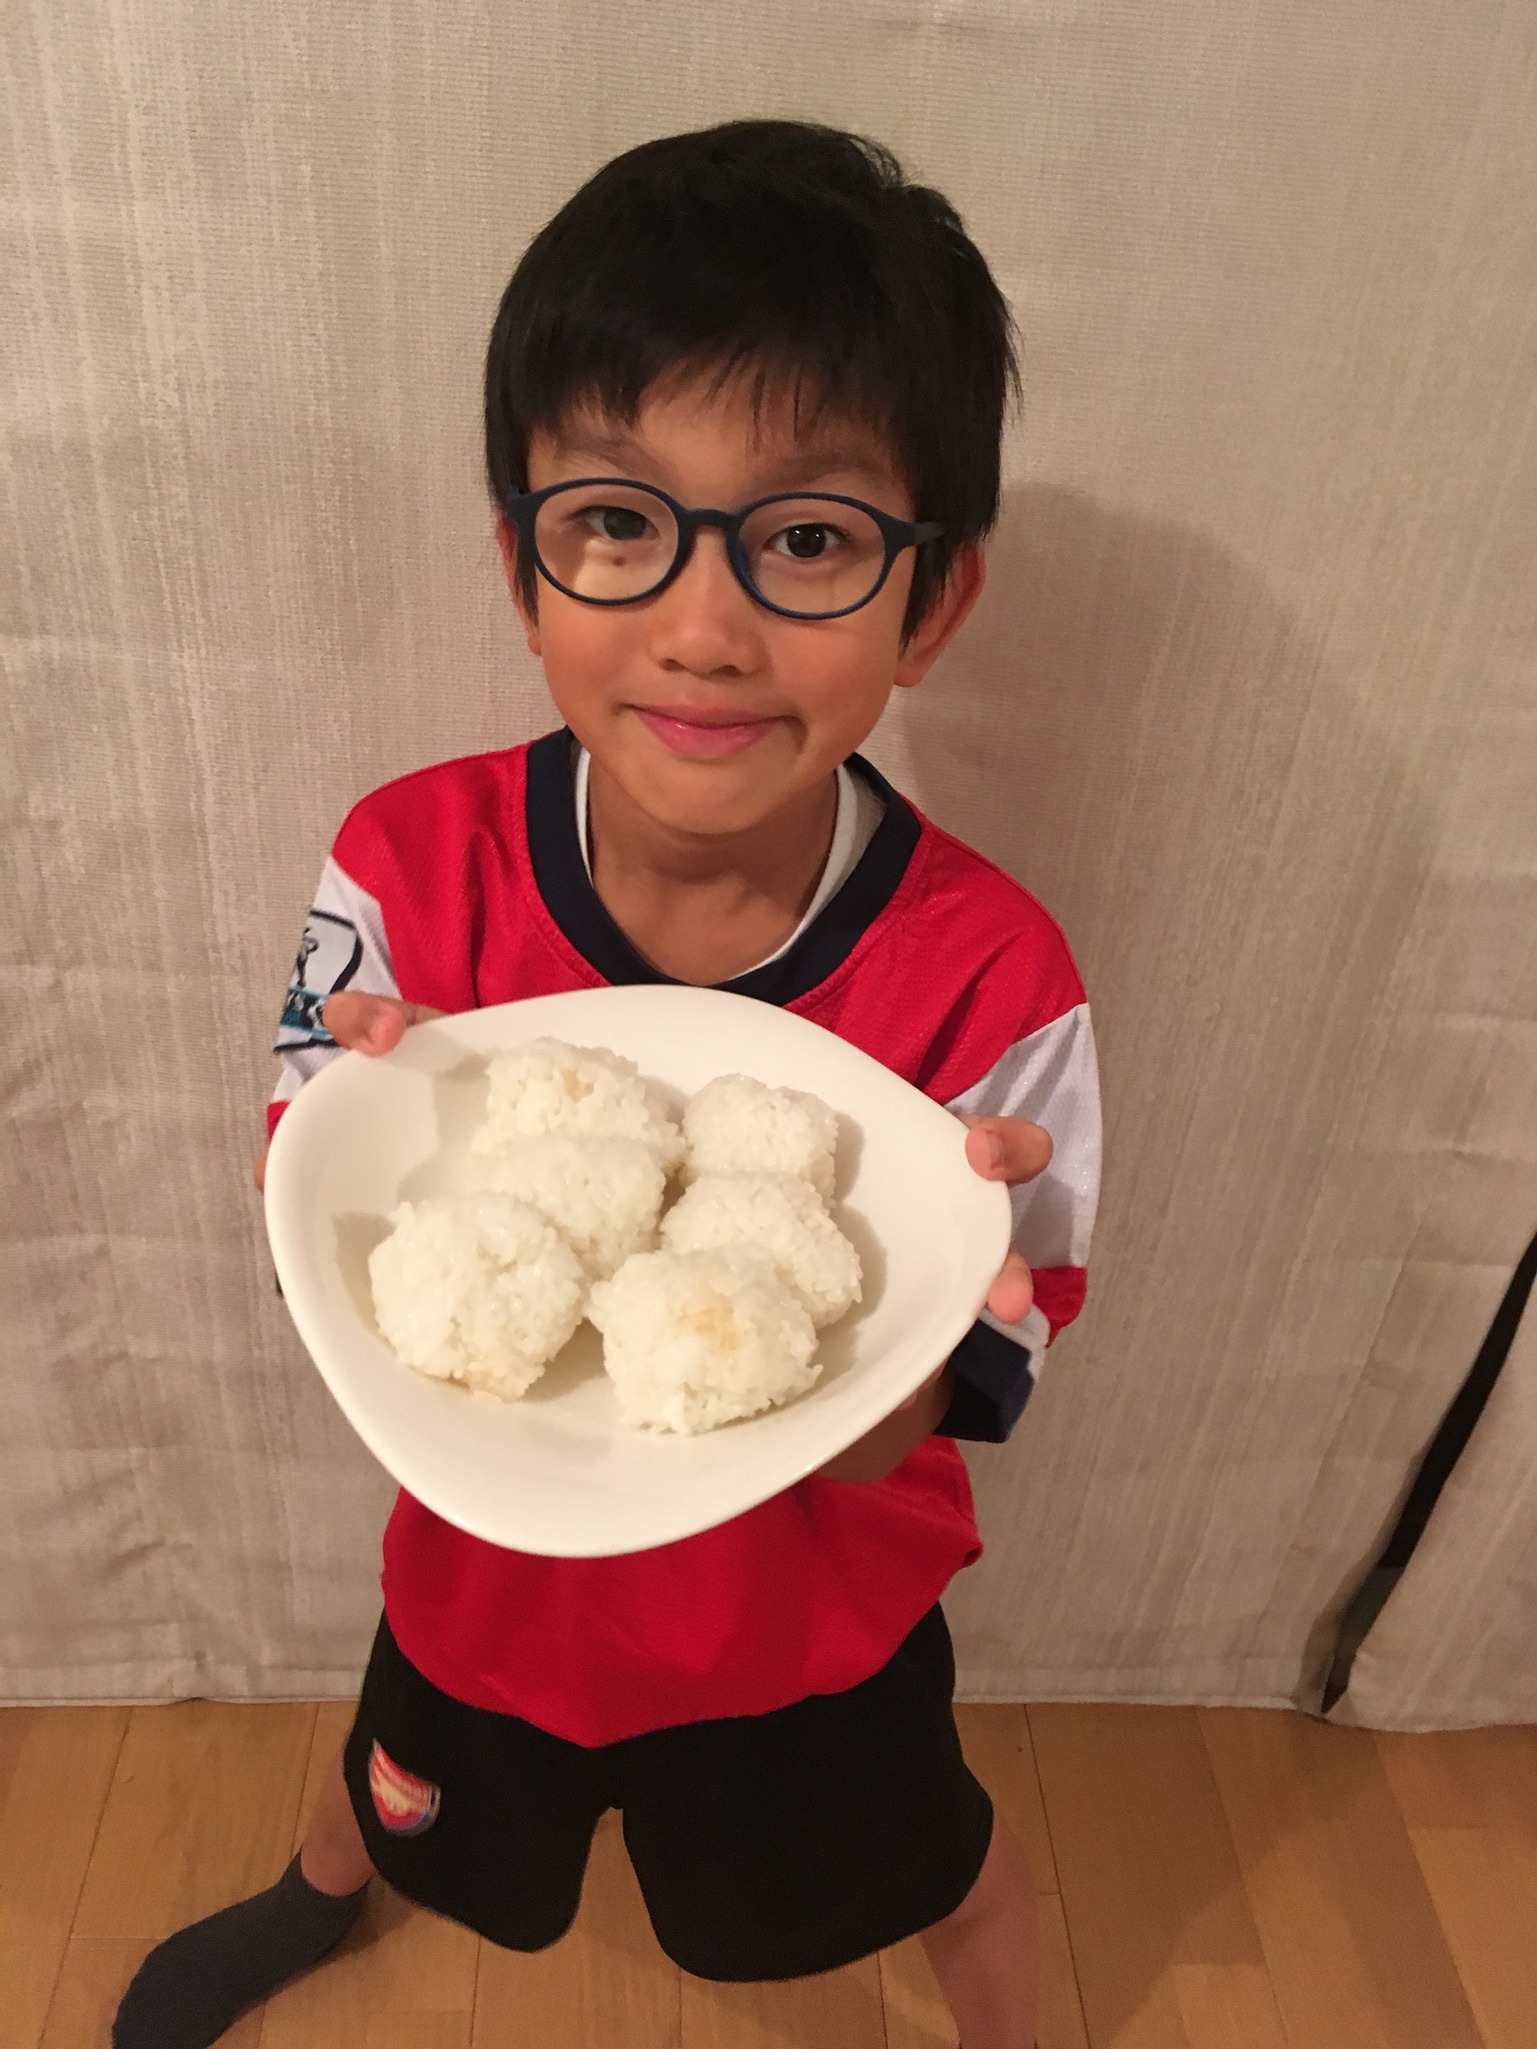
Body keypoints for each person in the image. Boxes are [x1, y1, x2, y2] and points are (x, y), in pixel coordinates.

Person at [114, 119, 1100, 2049]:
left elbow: (995, 1359)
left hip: (807, 1624)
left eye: (807, 538)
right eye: (619, 522)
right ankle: (319, 1882)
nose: (703, 625)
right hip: (485, 1574)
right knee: (401, 1765)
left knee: (926, 1847)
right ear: (522, 556)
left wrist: (940, 1291)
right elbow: (312, 1201)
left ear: (934, 598)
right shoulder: (410, 859)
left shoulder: (994, 972)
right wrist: (356, 1114)